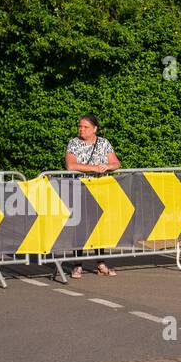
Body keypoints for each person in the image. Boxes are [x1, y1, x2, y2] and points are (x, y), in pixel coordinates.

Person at [64, 114, 122, 278]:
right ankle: (77, 264)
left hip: (99, 191)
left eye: (85, 127)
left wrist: (106, 166)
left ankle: (100, 263)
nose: (81, 129)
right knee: (80, 226)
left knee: (99, 226)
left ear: (95, 129)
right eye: (80, 126)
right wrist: (94, 168)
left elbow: (116, 163)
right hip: (79, 189)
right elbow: (70, 165)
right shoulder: (74, 143)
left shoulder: (103, 143)